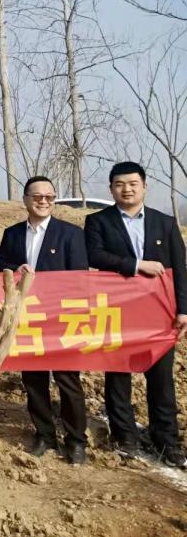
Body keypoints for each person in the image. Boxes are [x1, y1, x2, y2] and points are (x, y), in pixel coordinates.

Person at [85, 162, 187, 468]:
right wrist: (135, 265)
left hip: (159, 313)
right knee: (118, 375)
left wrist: (183, 309)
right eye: (119, 184)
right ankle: (124, 437)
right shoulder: (98, 221)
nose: (126, 189)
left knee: (161, 379)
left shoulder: (165, 223)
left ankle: (167, 441)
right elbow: (94, 255)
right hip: (118, 311)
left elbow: (180, 268)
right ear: (111, 189)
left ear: (144, 186)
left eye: (132, 184)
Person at [0, 176, 90, 465]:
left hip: (61, 318)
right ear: (26, 199)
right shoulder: (12, 234)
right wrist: (15, 268)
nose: (44, 201)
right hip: (27, 317)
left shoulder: (70, 233)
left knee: (68, 380)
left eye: (49, 197)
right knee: (34, 380)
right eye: (37, 197)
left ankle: (76, 440)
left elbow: (80, 275)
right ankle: (44, 434)